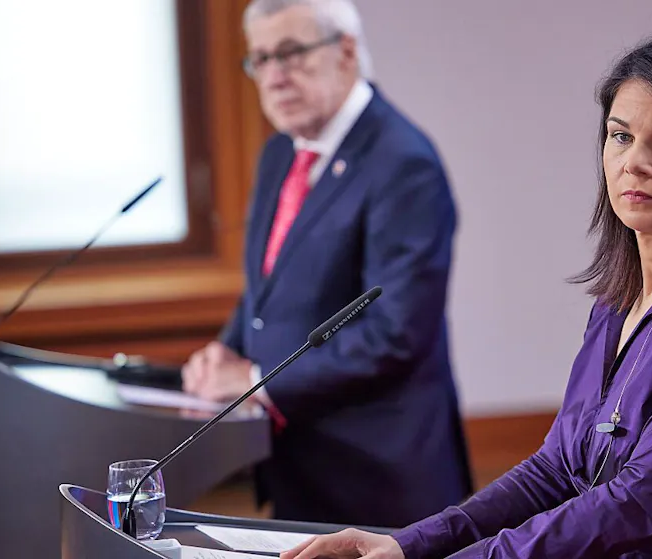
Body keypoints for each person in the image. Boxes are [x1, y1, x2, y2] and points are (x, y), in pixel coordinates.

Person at [281, 34, 652, 559]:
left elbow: (643, 500)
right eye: (620, 136)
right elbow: (555, 470)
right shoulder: (617, 301)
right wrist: (410, 544)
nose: (635, 162)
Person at [181, 0, 473, 528]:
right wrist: (226, 349)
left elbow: (394, 333)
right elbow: (269, 285)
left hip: (380, 477)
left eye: (291, 53)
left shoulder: (403, 162)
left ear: (346, 51)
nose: (274, 76)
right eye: (261, 59)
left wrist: (256, 379)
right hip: (299, 462)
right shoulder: (280, 153)